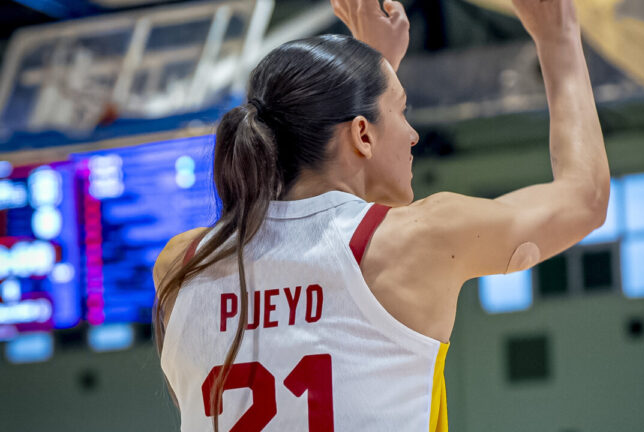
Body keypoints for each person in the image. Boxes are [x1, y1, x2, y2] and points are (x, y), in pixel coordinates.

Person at [153, 0, 610, 431]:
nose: (412, 134)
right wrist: (557, 36)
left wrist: (367, 71)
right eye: (402, 111)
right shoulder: (423, 239)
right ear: (362, 135)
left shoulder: (182, 263)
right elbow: (585, 197)